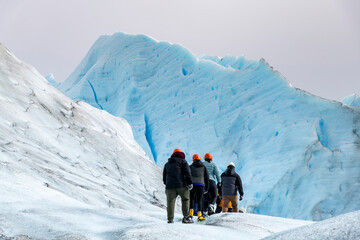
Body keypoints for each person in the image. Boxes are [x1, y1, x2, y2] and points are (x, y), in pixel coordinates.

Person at [163, 149, 194, 223]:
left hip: (170, 186)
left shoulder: (167, 164)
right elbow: (187, 172)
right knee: (185, 200)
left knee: (170, 202)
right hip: (181, 185)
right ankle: (186, 218)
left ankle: (170, 219)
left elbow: (164, 176)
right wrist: (189, 182)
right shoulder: (183, 162)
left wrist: (167, 183)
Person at [189, 154, 209, 221]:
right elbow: (206, 178)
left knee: (191, 198)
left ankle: (190, 214)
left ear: (193, 159)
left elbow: (187, 175)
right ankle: (200, 215)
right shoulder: (203, 167)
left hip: (192, 184)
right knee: (200, 199)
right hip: (201, 185)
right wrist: (206, 188)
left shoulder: (191, 166)